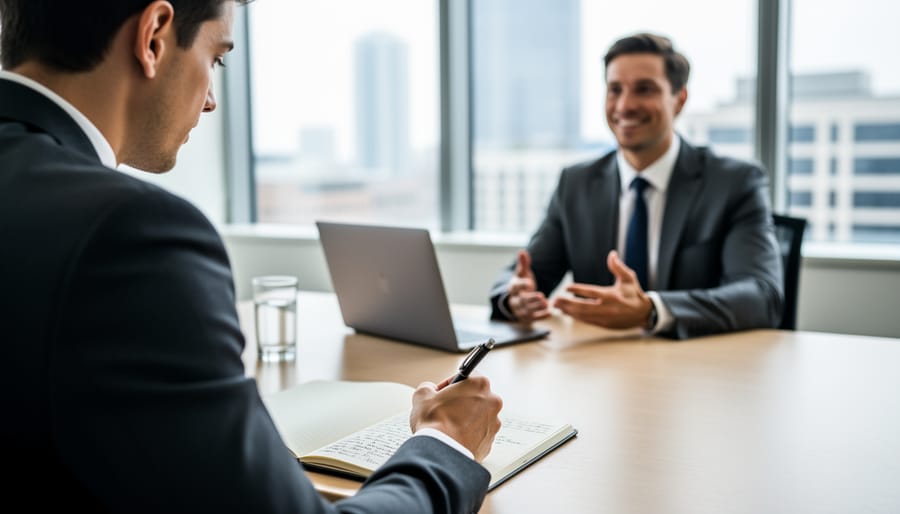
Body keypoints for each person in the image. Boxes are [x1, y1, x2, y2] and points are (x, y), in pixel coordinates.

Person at [0, 1, 502, 512]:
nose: (212, 100)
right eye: (215, 59)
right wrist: (446, 443)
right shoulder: (130, 233)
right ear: (153, 37)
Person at [489, 32, 784, 339]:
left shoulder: (734, 182)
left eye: (644, 89)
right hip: (602, 365)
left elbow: (762, 296)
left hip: (700, 367)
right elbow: (523, 275)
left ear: (679, 99)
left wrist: (651, 310)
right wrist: (515, 297)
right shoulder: (576, 184)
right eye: (614, 89)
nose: (625, 106)